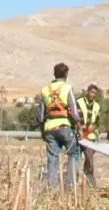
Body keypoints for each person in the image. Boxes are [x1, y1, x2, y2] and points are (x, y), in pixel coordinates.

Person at [34, 63, 82, 191]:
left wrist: (42, 131)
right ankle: (70, 186)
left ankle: (53, 188)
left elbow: (40, 115)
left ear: (54, 74)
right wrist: (79, 128)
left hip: (49, 128)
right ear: (66, 74)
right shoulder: (67, 88)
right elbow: (74, 111)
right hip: (65, 127)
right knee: (74, 153)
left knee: (52, 158)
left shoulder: (45, 90)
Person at [76, 83, 102, 183]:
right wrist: (80, 130)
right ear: (87, 92)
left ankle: (89, 182)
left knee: (89, 160)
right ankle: (73, 181)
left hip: (90, 137)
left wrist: (92, 128)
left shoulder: (97, 106)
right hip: (79, 136)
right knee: (76, 158)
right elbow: (76, 118)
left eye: (95, 93)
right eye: (92, 92)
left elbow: (97, 122)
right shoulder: (79, 102)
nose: (93, 94)